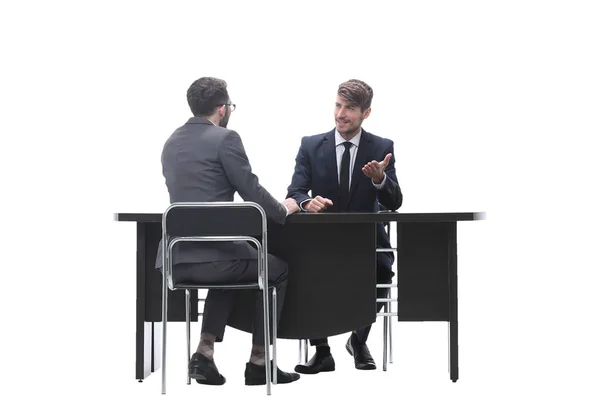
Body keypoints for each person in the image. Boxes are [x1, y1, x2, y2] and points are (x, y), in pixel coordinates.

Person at [156, 77, 301, 386]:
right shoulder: (225, 138)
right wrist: (284, 208)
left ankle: (203, 354)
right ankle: (259, 362)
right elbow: (251, 191)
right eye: (230, 106)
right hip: (216, 260)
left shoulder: (171, 142)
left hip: (176, 262)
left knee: (230, 262)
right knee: (277, 270)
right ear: (222, 109)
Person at [286, 79, 403, 374]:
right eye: (338, 105)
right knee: (304, 267)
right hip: (322, 240)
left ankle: (358, 339)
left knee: (383, 268)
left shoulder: (381, 147)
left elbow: (395, 201)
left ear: (366, 113)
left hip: (366, 240)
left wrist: (380, 179)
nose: (341, 114)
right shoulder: (311, 145)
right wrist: (305, 203)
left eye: (350, 108)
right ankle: (322, 352)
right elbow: (295, 191)